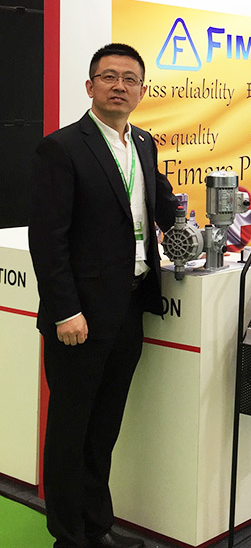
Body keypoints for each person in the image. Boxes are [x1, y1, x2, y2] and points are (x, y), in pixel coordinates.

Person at [28, 43, 178, 548]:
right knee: (70, 430)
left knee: (104, 426)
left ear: (142, 90)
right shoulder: (62, 147)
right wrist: (65, 310)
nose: (120, 86)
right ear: (90, 86)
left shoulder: (144, 144)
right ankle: (68, 537)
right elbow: (48, 240)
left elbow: (159, 204)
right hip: (81, 316)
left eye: (130, 79)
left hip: (130, 306)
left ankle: (96, 527)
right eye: (109, 77)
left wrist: (197, 226)